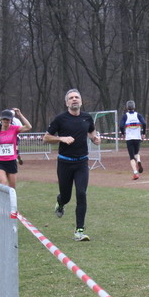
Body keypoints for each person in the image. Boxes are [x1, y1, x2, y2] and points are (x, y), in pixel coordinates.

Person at [43, 89, 101, 242]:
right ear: (66, 102)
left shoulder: (87, 117)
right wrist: (61, 139)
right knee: (66, 196)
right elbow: (46, 138)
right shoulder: (60, 119)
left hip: (82, 163)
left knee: (81, 194)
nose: (74, 99)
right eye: (71, 98)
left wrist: (95, 138)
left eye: (76, 97)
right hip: (65, 163)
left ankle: (79, 231)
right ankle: (60, 202)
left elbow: (91, 131)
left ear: (81, 101)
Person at [0, 108, 31, 189]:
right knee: (4, 182)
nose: (6, 121)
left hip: (11, 161)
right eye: (4, 119)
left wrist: (20, 115)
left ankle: (10, 198)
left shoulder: (14, 129)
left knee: (12, 187)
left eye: (8, 119)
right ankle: (3, 197)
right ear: (1, 120)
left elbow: (29, 127)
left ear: (11, 120)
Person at [119, 100, 147, 180]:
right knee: (136, 153)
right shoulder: (138, 115)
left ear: (127, 107)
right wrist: (143, 133)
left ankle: (135, 173)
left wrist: (123, 133)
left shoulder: (125, 116)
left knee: (131, 157)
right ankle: (138, 160)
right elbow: (144, 123)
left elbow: (121, 126)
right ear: (134, 107)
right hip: (137, 138)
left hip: (129, 138)